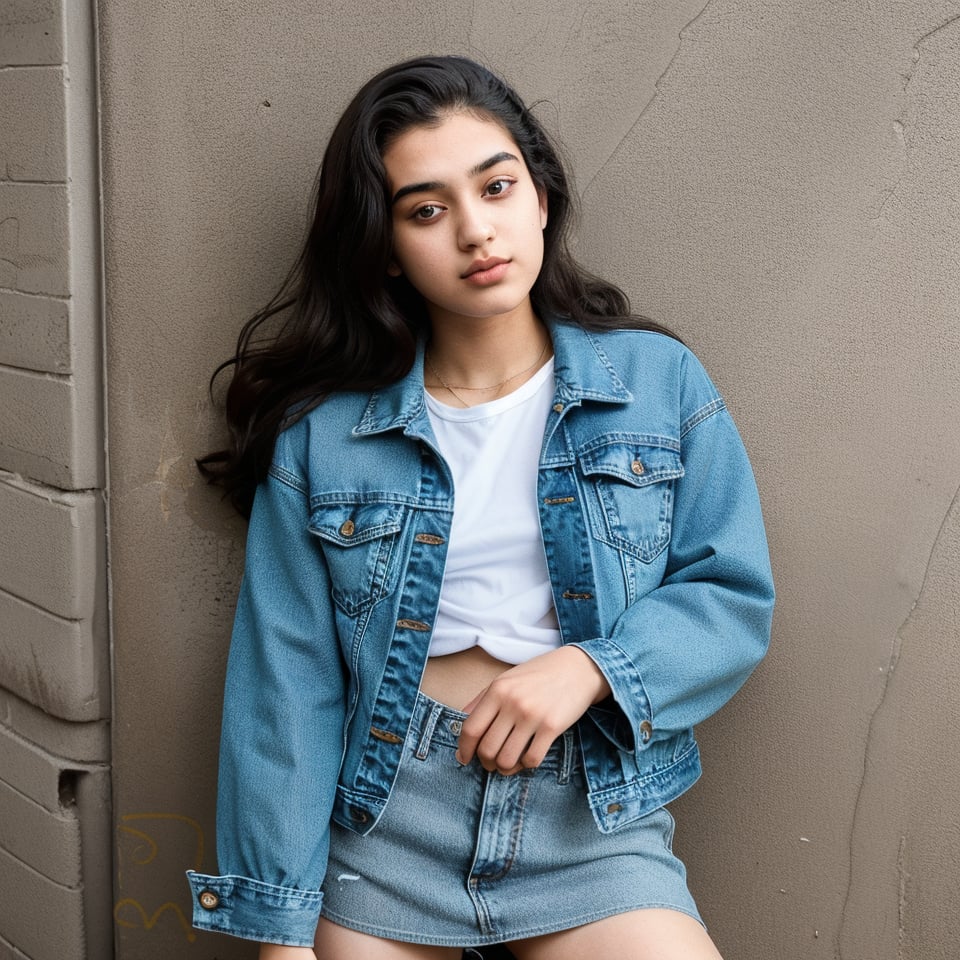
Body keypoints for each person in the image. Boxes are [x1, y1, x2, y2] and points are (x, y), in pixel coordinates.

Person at [186, 55, 774, 960]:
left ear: (540, 196)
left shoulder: (658, 386)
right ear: (385, 246)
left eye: (497, 187)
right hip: (386, 822)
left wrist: (592, 668)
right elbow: (284, 688)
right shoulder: (325, 436)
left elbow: (731, 594)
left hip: (590, 818)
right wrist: (280, 930)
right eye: (427, 209)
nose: (475, 231)